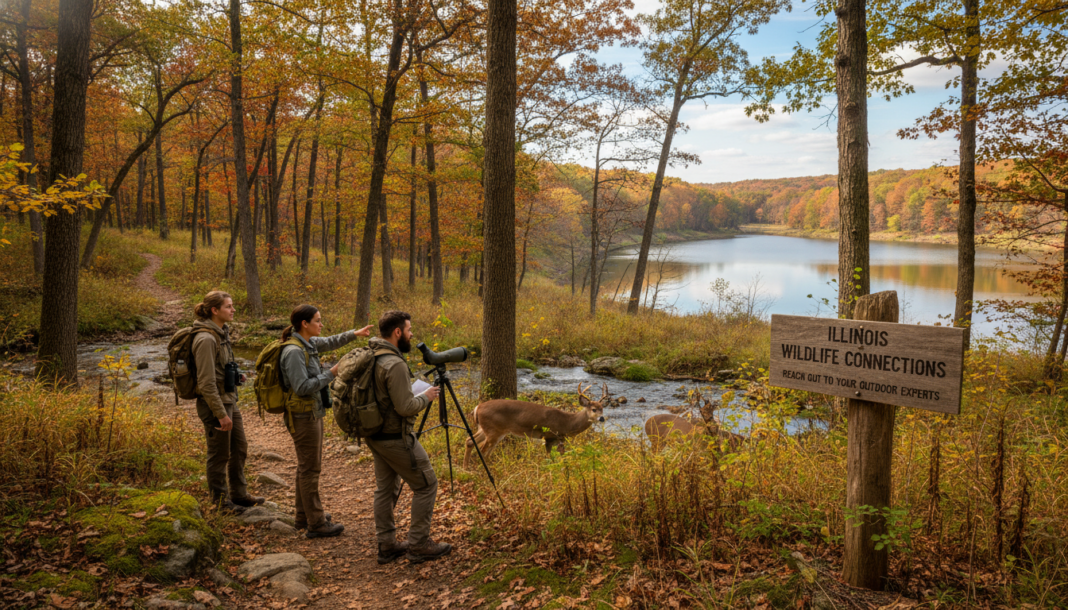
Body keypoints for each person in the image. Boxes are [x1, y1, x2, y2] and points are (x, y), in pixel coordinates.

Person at [365, 310, 451, 565]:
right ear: (397, 332)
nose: (412, 334)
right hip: (395, 437)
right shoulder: (395, 363)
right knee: (426, 485)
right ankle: (419, 544)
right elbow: (405, 407)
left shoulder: (371, 354)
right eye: (409, 330)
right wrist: (427, 396)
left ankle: (387, 544)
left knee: (385, 489)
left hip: (374, 433)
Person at [279, 305, 372, 538]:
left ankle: (304, 516)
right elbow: (302, 387)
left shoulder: (308, 343)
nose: (321, 324)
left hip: (311, 412)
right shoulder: (294, 352)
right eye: (318, 321)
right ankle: (316, 523)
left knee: (306, 466)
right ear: (305, 324)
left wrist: (355, 334)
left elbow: (330, 341)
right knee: (310, 469)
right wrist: (332, 373)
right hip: (302, 416)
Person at [191, 291, 263, 513]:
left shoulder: (221, 333)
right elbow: (206, 382)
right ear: (215, 310)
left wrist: (236, 375)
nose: (233, 310)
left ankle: (239, 494)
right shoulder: (206, 339)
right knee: (219, 454)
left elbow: (220, 369)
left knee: (239, 447)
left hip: (229, 400)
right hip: (215, 405)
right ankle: (221, 502)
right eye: (228, 307)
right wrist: (221, 414)